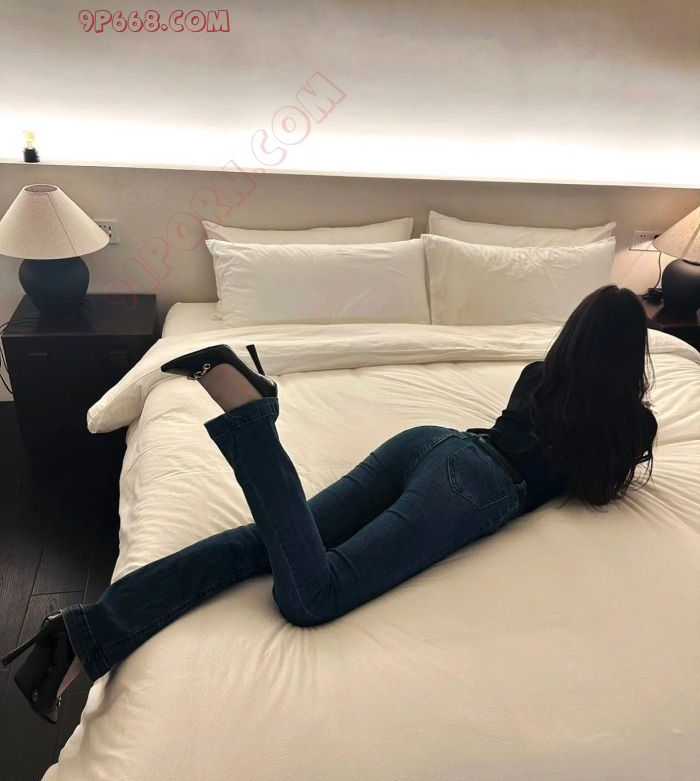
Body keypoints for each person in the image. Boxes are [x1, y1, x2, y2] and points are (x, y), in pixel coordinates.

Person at [2, 285, 657, 723]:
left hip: (432, 442)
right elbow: (595, 489)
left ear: (574, 334)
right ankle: (251, 419)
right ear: (633, 353)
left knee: (261, 544)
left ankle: (80, 636)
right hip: (478, 486)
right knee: (314, 597)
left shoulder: (539, 375)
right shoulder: (630, 425)